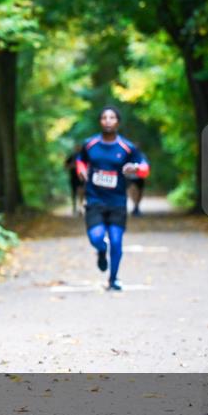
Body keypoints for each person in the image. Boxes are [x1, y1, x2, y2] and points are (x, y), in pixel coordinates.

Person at [75, 106, 149, 291]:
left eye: (112, 117)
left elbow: (145, 167)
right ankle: (101, 250)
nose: (108, 121)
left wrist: (135, 169)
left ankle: (113, 279)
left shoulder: (127, 147)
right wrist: (82, 170)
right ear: (100, 121)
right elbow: (80, 160)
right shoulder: (90, 144)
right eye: (104, 117)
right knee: (96, 238)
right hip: (94, 200)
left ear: (118, 122)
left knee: (116, 241)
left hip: (117, 201)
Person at [64, 144, 85, 216]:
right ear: (75, 148)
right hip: (73, 177)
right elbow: (65, 167)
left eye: (79, 147)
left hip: (81, 177)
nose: (78, 149)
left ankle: (80, 208)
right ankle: (74, 207)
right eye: (77, 147)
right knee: (74, 193)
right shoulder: (71, 157)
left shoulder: (84, 156)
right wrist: (72, 166)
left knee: (81, 192)